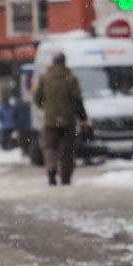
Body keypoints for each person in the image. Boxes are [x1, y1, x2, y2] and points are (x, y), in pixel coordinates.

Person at [32, 51, 87, 186]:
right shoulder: (71, 77)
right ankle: (65, 177)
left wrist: (45, 107)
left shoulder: (45, 77)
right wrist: (82, 117)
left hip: (50, 120)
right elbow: (77, 100)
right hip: (68, 121)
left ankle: (51, 171)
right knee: (67, 149)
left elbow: (37, 97)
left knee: (49, 147)